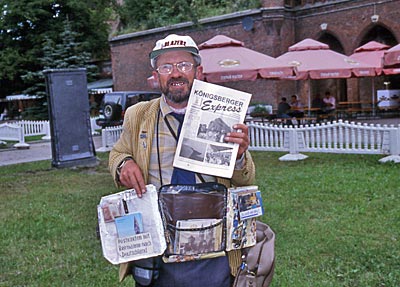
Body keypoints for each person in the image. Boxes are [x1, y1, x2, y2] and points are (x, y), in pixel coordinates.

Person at [109, 34, 255, 287]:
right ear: (156, 76)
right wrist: (123, 163)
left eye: (184, 65)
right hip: (158, 246)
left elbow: (246, 179)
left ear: (198, 71)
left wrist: (240, 155)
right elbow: (118, 153)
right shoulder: (138, 115)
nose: (175, 73)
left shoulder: (223, 113)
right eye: (166, 67)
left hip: (212, 243)